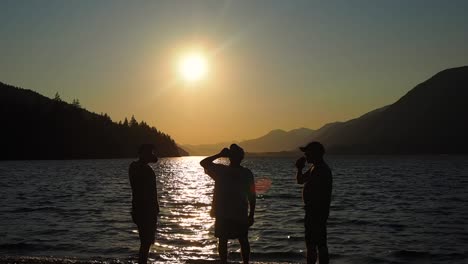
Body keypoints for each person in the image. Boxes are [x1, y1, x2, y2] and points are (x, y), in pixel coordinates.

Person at [200, 144, 256, 264]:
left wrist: (220, 155)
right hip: (234, 213)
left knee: (229, 240)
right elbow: (252, 196)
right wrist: (251, 214)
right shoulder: (244, 173)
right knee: (241, 240)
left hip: (226, 213)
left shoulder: (222, 171)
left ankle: (226, 262)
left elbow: (204, 163)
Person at [296, 141, 332, 264]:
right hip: (313, 212)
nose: (305, 155)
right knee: (315, 244)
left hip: (316, 212)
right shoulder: (314, 168)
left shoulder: (321, 170)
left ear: (315, 153)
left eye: (307, 153)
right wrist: (299, 169)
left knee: (316, 245)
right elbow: (300, 181)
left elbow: (320, 195)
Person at [129, 144, 160, 264]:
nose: (152, 155)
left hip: (145, 210)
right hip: (144, 211)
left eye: (151, 152)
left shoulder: (137, 167)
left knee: (146, 242)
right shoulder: (139, 168)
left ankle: (143, 261)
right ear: (141, 154)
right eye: (149, 152)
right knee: (146, 242)